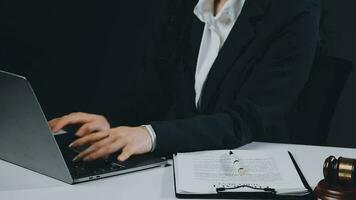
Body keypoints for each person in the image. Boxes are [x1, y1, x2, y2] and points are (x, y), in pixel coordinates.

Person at [49, 0, 321, 162]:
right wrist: (111, 122)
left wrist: (152, 135)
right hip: (182, 165)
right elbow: (155, 92)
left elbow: (245, 121)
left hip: (252, 168)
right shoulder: (184, 5)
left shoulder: (295, 10)